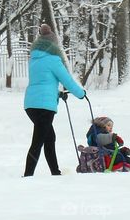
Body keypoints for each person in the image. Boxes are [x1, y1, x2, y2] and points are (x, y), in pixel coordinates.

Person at [22, 23, 86, 176]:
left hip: (30, 104)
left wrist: (58, 94)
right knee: (38, 141)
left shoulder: (34, 59)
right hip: (44, 107)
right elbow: (68, 81)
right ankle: (27, 175)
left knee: (49, 137)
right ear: (53, 44)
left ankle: (55, 173)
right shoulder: (53, 60)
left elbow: (42, 84)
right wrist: (81, 94)